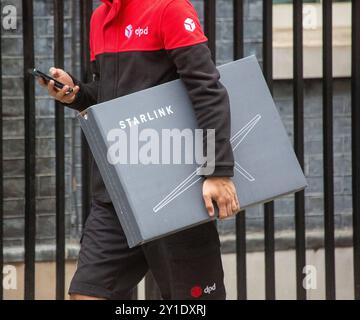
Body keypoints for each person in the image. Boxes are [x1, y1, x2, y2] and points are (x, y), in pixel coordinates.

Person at [38, 0, 240, 300]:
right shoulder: (99, 19)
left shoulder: (170, 8)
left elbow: (206, 90)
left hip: (172, 191)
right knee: (87, 293)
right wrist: (77, 94)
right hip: (116, 195)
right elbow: (111, 96)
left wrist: (218, 170)